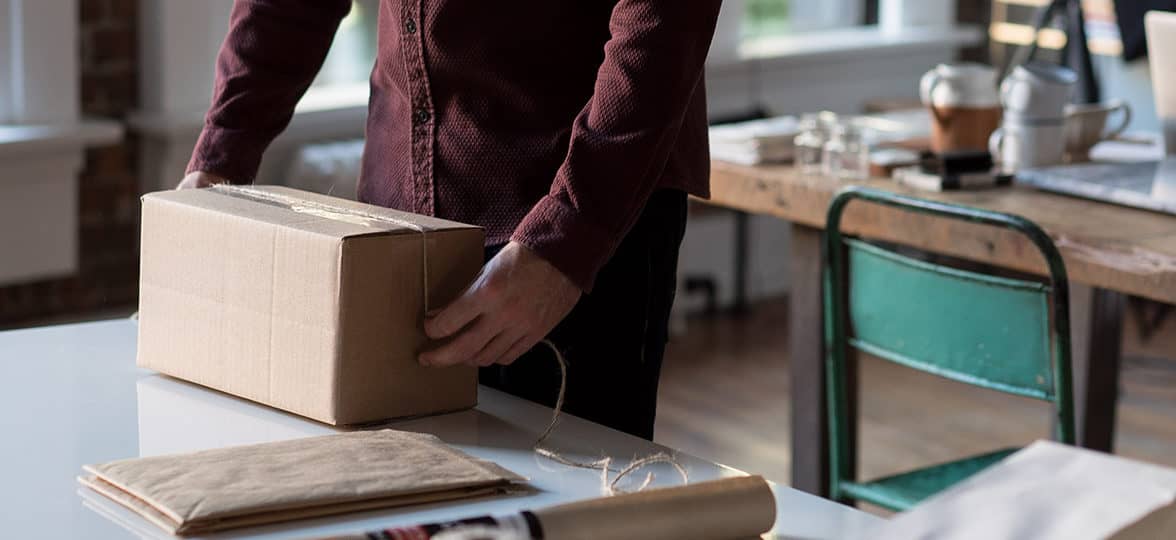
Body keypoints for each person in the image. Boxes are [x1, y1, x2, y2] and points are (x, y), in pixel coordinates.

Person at [180, 1, 721, 440]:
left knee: (566, 516)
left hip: (570, 223)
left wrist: (567, 237)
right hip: (395, 223)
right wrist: (217, 159)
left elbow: (665, 18)